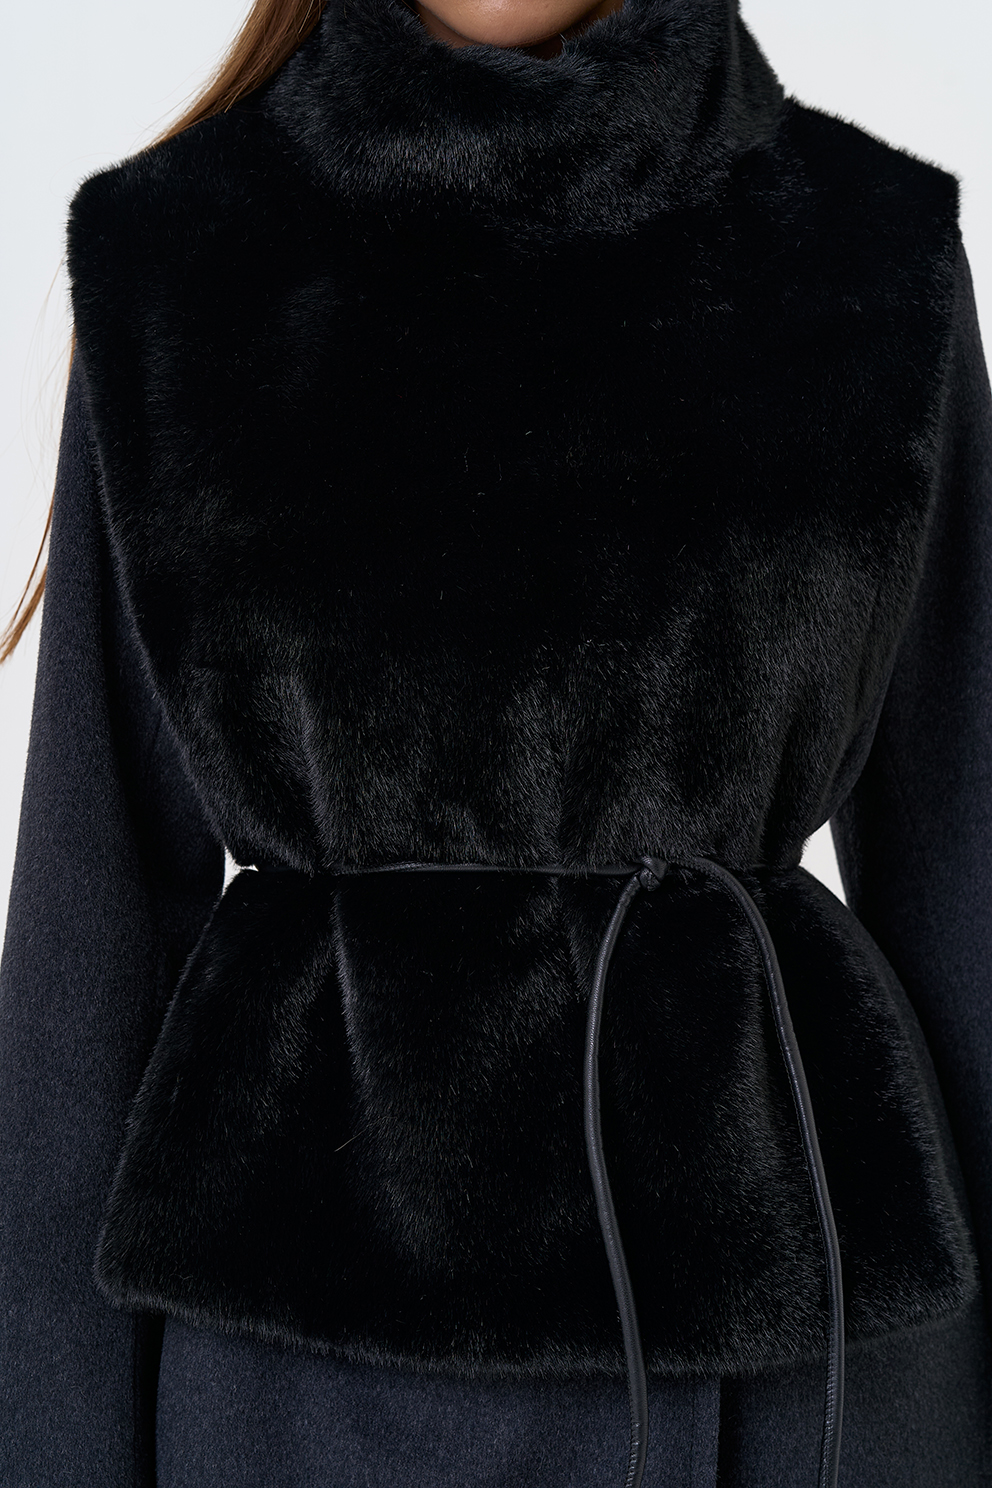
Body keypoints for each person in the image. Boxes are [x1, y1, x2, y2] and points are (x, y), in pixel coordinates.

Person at [1, 0, 990, 1484]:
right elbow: (89, 933)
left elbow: (969, 872)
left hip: (805, 1363)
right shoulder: (179, 260)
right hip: (300, 1382)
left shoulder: (874, 249)